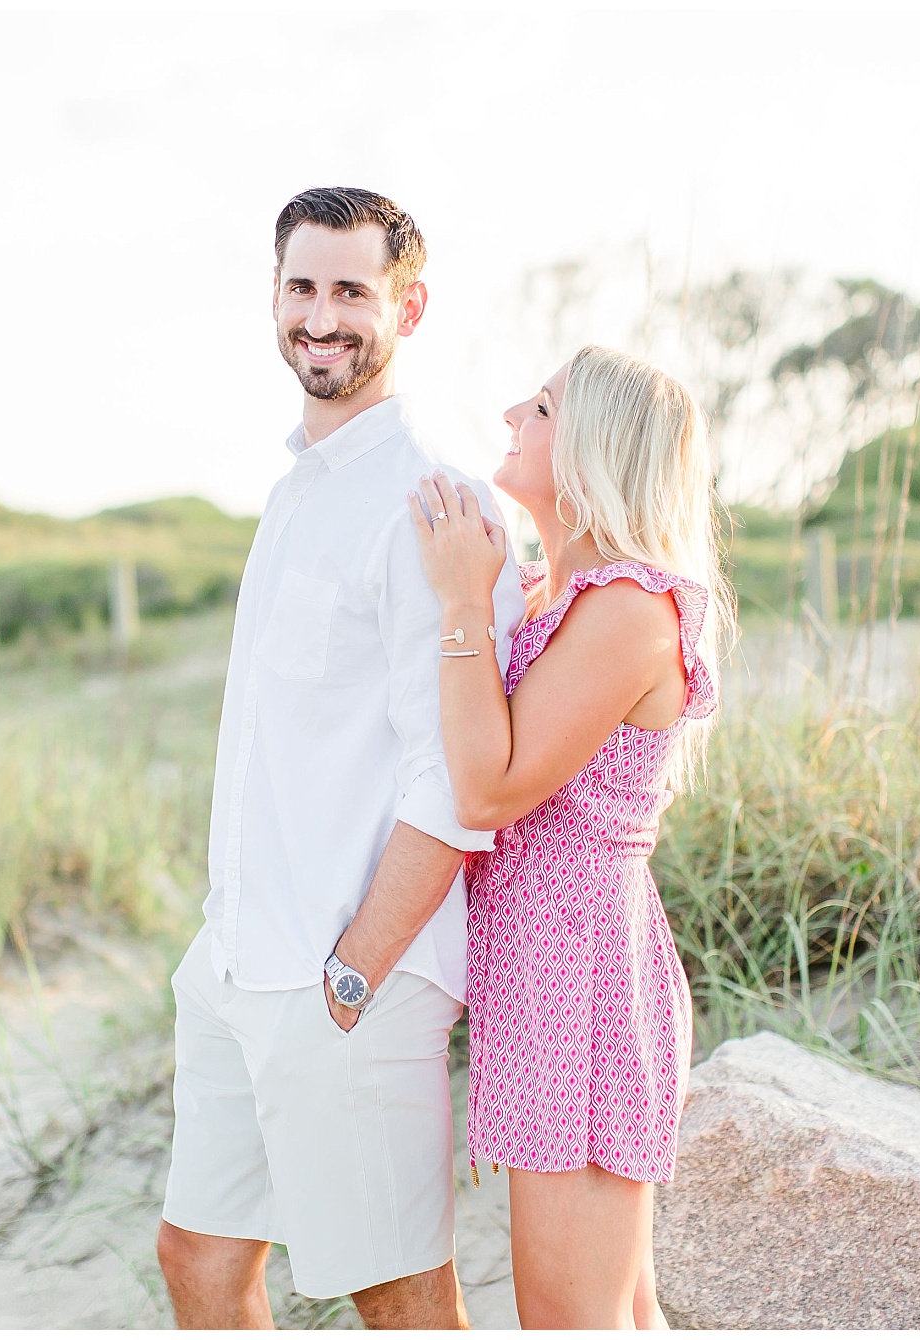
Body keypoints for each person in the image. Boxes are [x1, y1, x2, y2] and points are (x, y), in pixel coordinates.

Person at [154, 187, 525, 1329]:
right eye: (301, 287)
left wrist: (354, 973)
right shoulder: (292, 490)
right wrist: (224, 942)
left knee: (403, 1303)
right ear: (274, 297)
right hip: (237, 959)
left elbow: (454, 780)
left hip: (346, 977)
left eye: (350, 291)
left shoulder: (434, 504)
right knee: (199, 1260)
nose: (321, 317)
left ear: (406, 307)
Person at [405, 346, 733, 1329]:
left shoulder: (628, 608)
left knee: (571, 1320)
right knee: (609, 1313)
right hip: (551, 975)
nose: (511, 411)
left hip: (578, 982)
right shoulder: (567, 598)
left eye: (540, 406)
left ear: (592, 447)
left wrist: (462, 600)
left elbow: (490, 784)